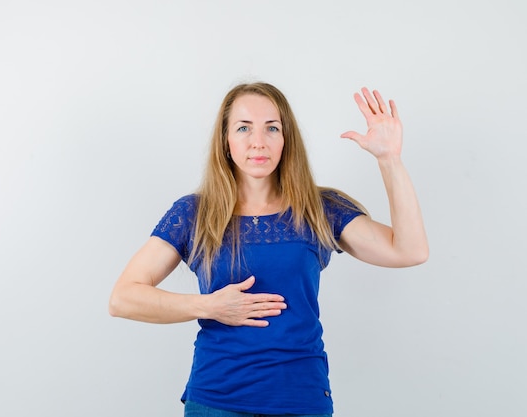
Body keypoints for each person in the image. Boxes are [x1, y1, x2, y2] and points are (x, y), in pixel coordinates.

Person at [109, 82, 428, 417]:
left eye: (271, 128)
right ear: (226, 141)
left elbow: (410, 251)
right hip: (216, 400)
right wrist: (210, 306)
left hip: (301, 399)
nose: (258, 141)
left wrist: (390, 160)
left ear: (285, 139)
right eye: (243, 128)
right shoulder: (194, 213)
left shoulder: (321, 208)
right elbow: (123, 298)